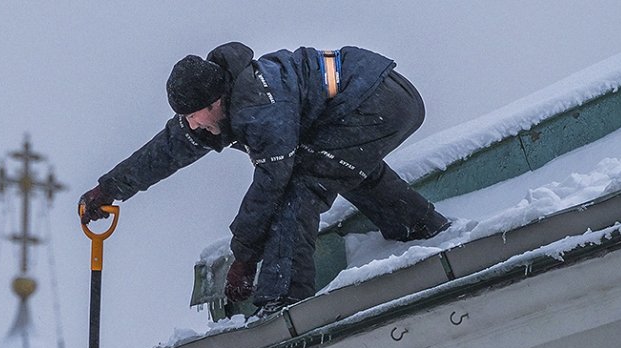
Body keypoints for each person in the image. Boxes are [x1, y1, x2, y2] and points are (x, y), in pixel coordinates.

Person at [79, 42, 450, 316]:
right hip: (364, 104)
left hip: (378, 101)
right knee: (338, 167)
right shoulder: (220, 105)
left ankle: (283, 304)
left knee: (301, 189)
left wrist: (244, 259)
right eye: (186, 118)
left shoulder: (259, 105)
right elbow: (167, 150)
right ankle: (422, 227)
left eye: (193, 115)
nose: (191, 124)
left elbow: (273, 185)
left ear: (214, 103)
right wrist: (109, 187)